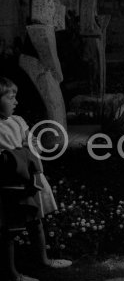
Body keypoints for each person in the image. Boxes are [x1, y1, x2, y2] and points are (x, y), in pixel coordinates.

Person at [0, 77, 72, 281]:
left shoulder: (18, 121)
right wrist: (17, 156)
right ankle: (12, 273)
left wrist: (29, 148)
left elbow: (32, 141)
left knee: (36, 222)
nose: (16, 102)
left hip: (29, 180)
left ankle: (44, 259)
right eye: (10, 97)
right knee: (9, 230)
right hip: (10, 185)